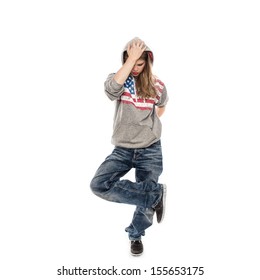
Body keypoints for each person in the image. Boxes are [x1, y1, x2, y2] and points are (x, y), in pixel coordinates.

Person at [90, 37, 169, 256]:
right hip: (123, 148)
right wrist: (131, 57)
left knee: (145, 192)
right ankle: (155, 195)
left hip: (150, 148)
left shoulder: (158, 85)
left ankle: (135, 235)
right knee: (99, 185)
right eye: (130, 61)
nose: (135, 68)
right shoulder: (119, 80)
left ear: (148, 62)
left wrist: (149, 127)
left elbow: (161, 106)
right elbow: (110, 90)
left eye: (139, 63)